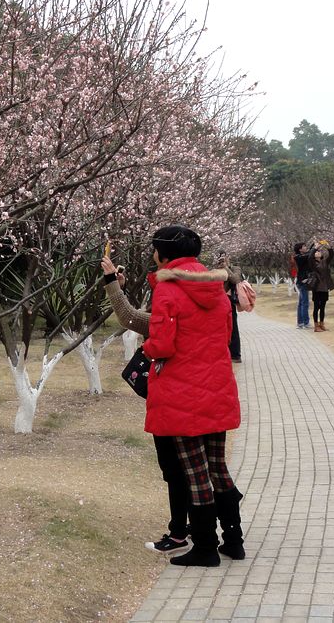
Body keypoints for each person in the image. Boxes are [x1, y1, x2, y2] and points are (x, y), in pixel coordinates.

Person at [106, 226, 245, 567]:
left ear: (163, 254)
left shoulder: (168, 288)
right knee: (218, 468)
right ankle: (234, 542)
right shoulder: (216, 287)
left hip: (182, 392)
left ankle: (205, 549)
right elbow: (225, 337)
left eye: (154, 250)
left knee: (195, 473)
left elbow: (164, 343)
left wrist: (148, 348)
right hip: (216, 387)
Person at [216, 250, 242, 362]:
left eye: (224, 257)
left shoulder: (235, 268)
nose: (222, 259)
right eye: (220, 258)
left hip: (229, 301)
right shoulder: (214, 269)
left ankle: (235, 355)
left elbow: (236, 279)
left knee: (233, 327)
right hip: (216, 301)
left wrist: (226, 267)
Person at [308, 240, 334, 331]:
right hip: (317, 287)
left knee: (323, 307)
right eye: (316, 252)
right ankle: (316, 326)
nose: (318, 252)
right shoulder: (312, 263)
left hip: (324, 287)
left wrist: (328, 246)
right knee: (316, 307)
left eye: (319, 251)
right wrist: (315, 248)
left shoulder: (324, 262)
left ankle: (322, 324)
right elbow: (309, 257)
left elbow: (331, 255)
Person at [293, 242, 311, 329]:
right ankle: (305, 323)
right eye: (304, 246)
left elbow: (309, 254)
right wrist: (314, 248)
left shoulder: (301, 256)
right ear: (300, 249)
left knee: (301, 303)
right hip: (302, 281)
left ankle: (300, 323)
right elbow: (309, 255)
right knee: (305, 303)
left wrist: (313, 247)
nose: (306, 247)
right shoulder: (298, 257)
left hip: (301, 281)